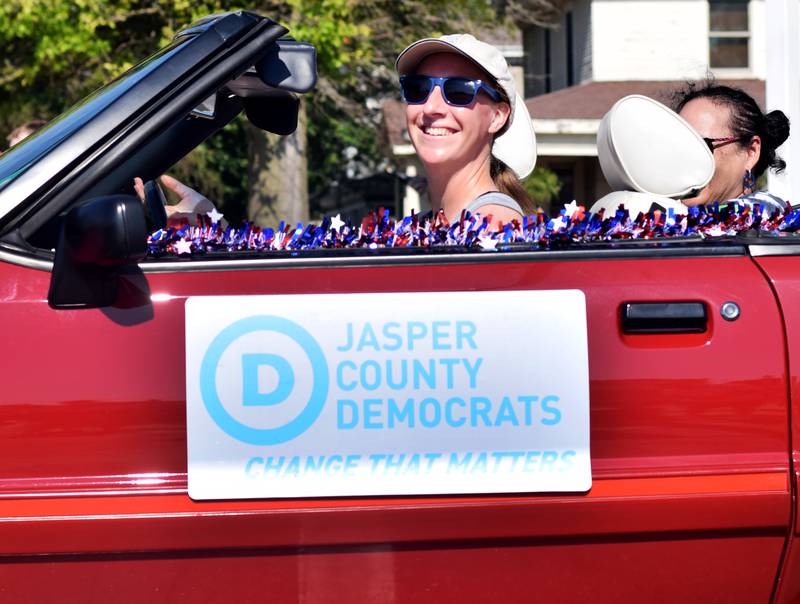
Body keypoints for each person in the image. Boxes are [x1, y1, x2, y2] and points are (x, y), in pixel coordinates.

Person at [395, 34, 537, 225]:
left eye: (458, 91)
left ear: (497, 116)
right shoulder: (412, 229)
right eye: (418, 88)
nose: (431, 108)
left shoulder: (492, 225)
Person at [674, 82, 790, 213]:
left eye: (700, 146)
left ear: (751, 152)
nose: (683, 160)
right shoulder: (661, 219)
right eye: (676, 147)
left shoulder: (767, 225)